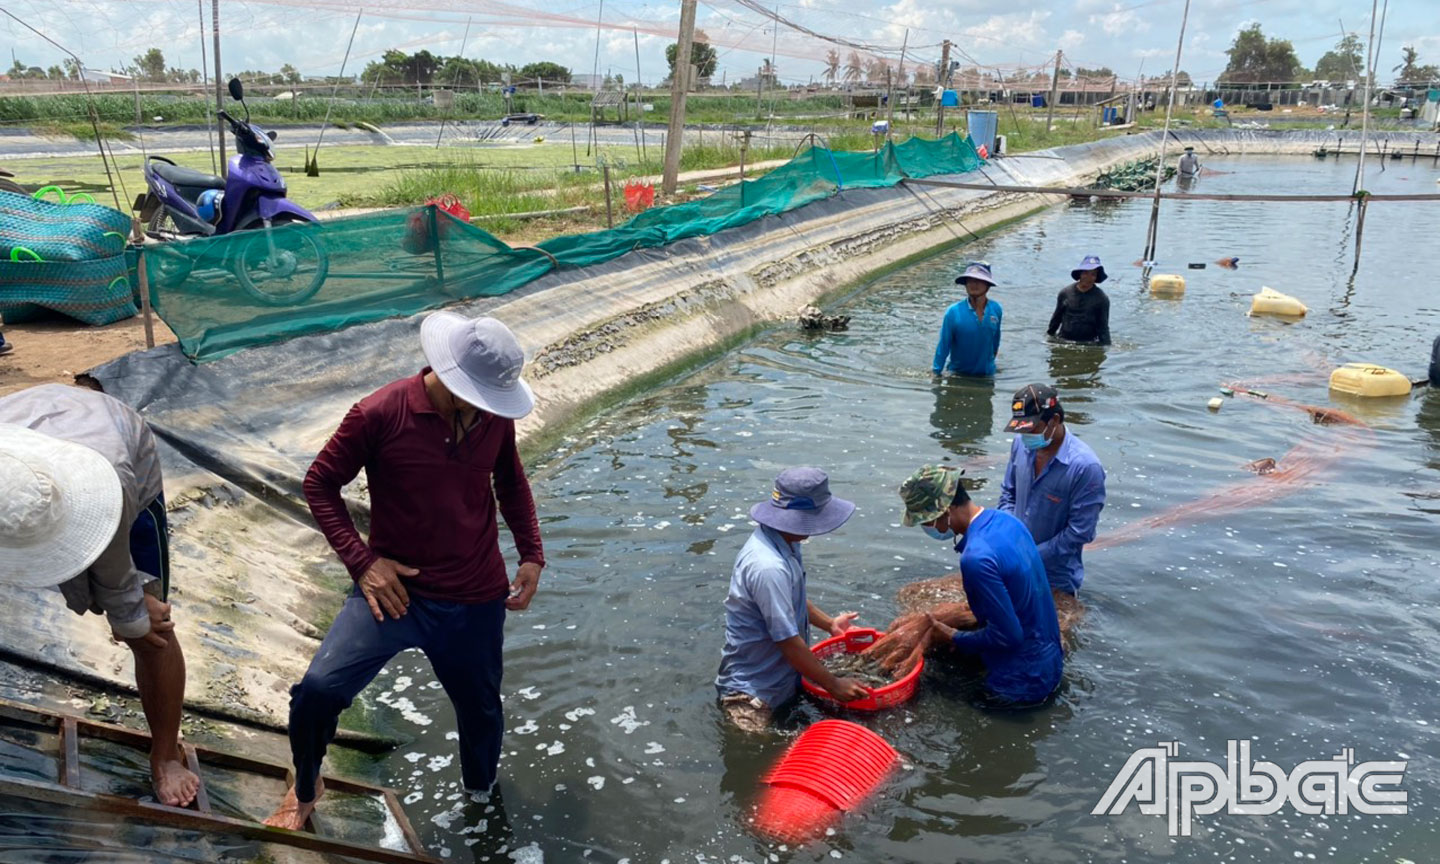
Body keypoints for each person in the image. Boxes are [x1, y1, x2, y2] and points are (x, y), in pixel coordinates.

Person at [265, 312, 545, 829]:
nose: (487, 409)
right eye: (479, 397)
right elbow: (319, 484)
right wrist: (363, 561)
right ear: (452, 375)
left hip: (475, 595)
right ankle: (306, 786)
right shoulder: (380, 413)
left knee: (481, 710)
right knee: (318, 691)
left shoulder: (493, 417)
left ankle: (481, 799)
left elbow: (510, 481)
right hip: (393, 593)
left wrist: (531, 553)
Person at [0, 384, 197, 806]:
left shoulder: (111, 487)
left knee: (148, 629)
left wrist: (129, 611)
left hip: (117, 452)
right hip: (31, 420)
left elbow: (117, 584)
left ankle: (165, 754)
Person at [715, 467, 869, 731]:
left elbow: (792, 599)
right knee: (759, 762)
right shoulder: (768, 567)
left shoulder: (785, 541)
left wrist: (830, 624)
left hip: (785, 680)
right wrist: (833, 684)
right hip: (751, 696)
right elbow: (787, 641)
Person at [899, 464, 1063, 707]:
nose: (929, 527)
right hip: (1051, 665)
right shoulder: (1008, 522)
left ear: (945, 510)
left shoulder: (976, 558)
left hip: (1020, 684)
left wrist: (953, 635)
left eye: (927, 520)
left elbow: (1009, 636)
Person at [997, 384, 1106, 596]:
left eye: (1031, 429)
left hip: (1053, 581)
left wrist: (1031, 555)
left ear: (1054, 420)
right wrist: (1010, 537)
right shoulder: (1020, 445)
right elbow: (1008, 494)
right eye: (1021, 429)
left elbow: (1079, 532)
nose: (1025, 435)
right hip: (1012, 568)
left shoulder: (1085, 467)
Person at [932, 262, 1002, 377]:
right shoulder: (953, 312)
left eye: (979, 280)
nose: (974, 284)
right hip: (958, 375)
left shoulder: (996, 309)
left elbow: (995, 340)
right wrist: (936, 372)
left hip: (987, 376)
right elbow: (944, 345)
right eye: (970, 280)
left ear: (988, 285)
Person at [1047, 255, 1111, 345]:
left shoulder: (1102, 299)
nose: (1088, 277)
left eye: (1093, 274)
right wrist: (1050, 338)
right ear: (1080, 274)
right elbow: (1056, 319)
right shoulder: (1065, 293)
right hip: (1064, 340)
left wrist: (1105, 347)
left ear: (1096, 277)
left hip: (1088, 342)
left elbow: (1103, 327)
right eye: (1085, 273)